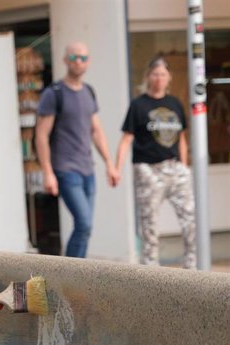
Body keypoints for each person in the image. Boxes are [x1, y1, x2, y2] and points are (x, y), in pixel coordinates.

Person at [35, 41, 119, 258]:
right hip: (66, 169)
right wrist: (48, 173)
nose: (78, 62)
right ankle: (71, 273)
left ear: (88, 61)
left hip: (87, 169)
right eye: (74, 57)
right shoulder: (54, 93)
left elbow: (97, 131)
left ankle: (77, 274)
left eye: (83, 58)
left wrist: (109, 164)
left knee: (86, 228)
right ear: (65, 61)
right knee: (84, 223)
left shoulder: (89, 92)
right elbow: (41, 135)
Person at [115, 56, 196, 268]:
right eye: (155, 74)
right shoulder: (138, 105)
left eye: (162, 74)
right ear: (148, 77)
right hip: (148, 169)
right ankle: (151, 273)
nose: (159, 78)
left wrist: (184, 166)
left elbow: (182, 139)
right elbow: (126, 139)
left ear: (168, 78)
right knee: (150, 225)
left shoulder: (175, 104)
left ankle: (192, 269)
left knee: (190, 221)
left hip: (175, 167)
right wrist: (116, 168)